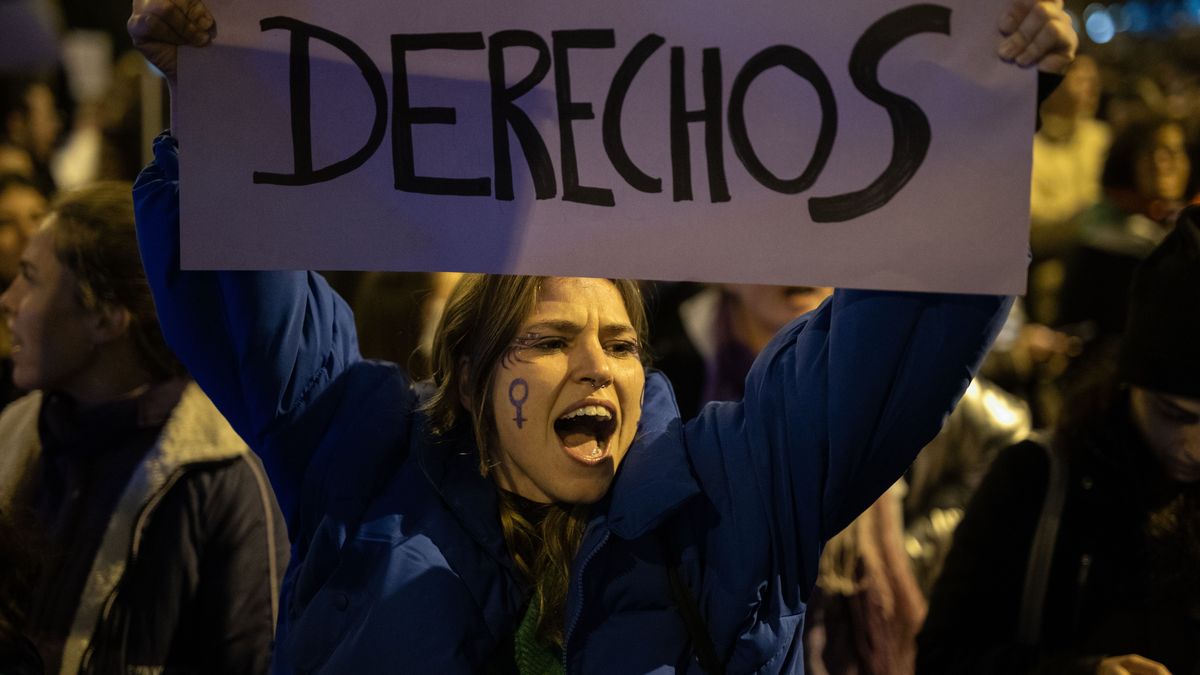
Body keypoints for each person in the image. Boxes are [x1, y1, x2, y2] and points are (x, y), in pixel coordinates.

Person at [127, 0, 1076, 672]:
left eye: (622, 343)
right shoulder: (362, 460)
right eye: (548, 340)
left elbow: (893, 341)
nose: (599, 367)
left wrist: (978, 123)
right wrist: (216, 114)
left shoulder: (733, 496)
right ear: (469, 372)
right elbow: (245, 303)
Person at [0, 182, 288, 674]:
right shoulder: (17, 428)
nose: (9, 299)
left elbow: (250, 659)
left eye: (30, 277)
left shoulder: (219, 473)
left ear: (108, 318)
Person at [916, 206, 1200, 674]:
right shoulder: (1039, 478)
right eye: (1173, 414)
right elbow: (943, 658)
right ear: (1128, 384)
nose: (1193, 445)